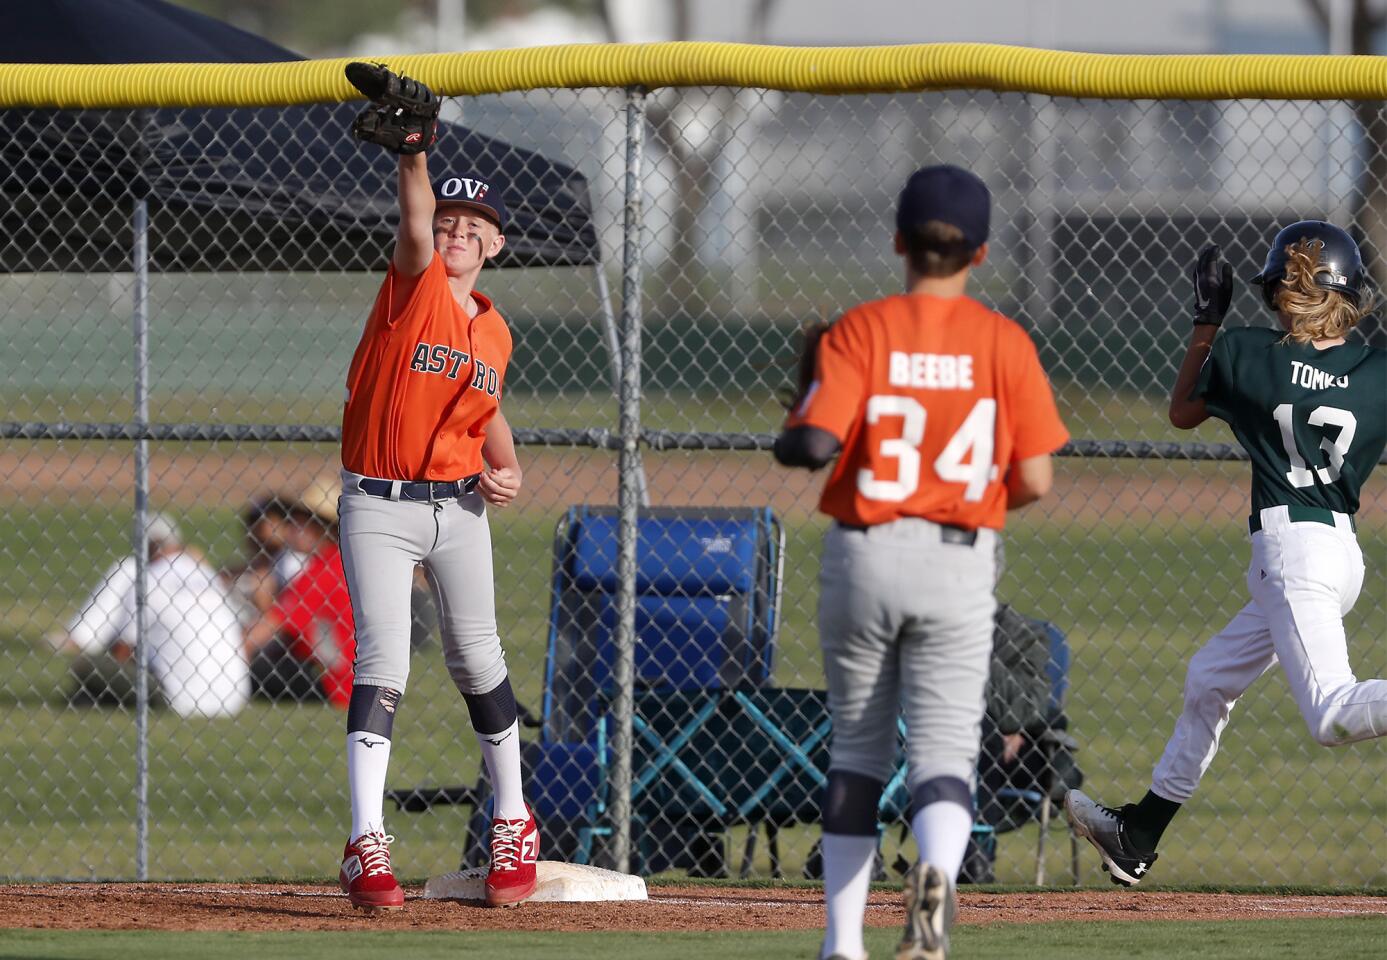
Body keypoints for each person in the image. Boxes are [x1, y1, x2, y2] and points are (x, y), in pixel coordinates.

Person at [774, 164, 1069, 960]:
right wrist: (967, 492)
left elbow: (810, 442)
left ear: (899, 241)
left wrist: (803, 425)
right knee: (941, 753)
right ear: (977, 253)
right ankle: (935, 881)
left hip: (865, 553)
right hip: (957, 557)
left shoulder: (862, 329)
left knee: (859, 753)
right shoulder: (1003, 341)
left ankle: (842, 943)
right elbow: (1036, 477)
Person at [1066, 222, 1387, 886]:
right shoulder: (1378, 372)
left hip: (1291, 553)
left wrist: (1206, 322)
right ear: (1350, 293)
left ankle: (1138, 831)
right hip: (1337, 554)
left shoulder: (1247, 355)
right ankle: (1137, 834)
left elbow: (1182, 411)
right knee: (1209, 679)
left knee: (1331, 712)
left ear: (1276, 293)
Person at [332, 62, 534, 913]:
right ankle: (366, 841)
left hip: (459, 507)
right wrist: (414, 156)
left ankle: (514, 819)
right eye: (449, 218)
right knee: (384, 657)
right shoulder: (410, 291)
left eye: (471, 223)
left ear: (494, 244)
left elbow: (482, 403)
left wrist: (510, 460)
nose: (454, 228)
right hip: (379, 504)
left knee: (476, 658)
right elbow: (413, 217)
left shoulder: (494, 328)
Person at [52, 511, 249, 719]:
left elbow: (123, 650)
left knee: (86, 666)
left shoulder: (148, 580)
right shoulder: (208, 576)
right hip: (234, 697)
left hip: (179, 699)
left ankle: (92, 697)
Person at [243, 476, 355, 707]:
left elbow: (268, 626)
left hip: (330, 681)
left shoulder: (320, 575)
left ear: (320, 529)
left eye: (298, 522)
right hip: (338, 674)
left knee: (251, 671)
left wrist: (221, 657)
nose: (289, 529)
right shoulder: (336, 563)